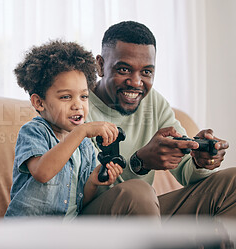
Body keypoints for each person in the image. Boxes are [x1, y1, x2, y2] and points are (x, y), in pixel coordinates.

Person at [82, 20, 236, 219]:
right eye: (124, 70)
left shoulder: (153, 102)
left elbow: (187, 173)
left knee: (232, 182)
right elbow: (82, 187)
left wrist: (199, 162)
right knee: (139, 192)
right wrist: (139, 163)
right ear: (101, 65)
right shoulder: (78, 104)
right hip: (94, 217)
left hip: (144, 213)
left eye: (146, 72)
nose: (136, 82)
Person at [4, 40, 124, 219]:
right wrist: (81, 131)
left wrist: (93, 181)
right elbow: (42, 172)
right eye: (66, 97)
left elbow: (80, 200)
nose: (78, 105)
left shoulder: (85, 146)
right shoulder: (34, 132)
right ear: (39, 102)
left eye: (84, 96)